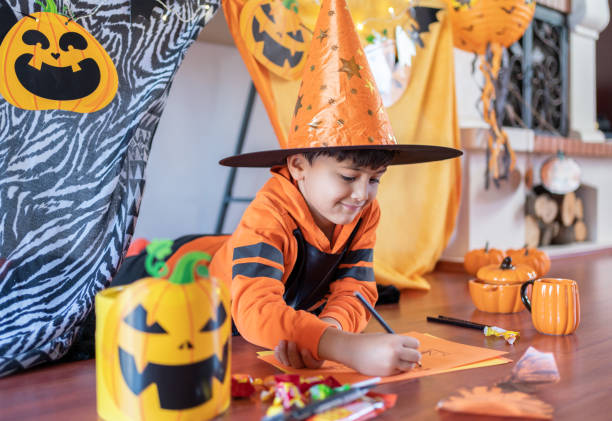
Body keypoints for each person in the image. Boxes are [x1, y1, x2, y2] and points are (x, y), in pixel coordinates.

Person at [157, 0, 462, 376]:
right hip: (190, 282)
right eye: (348, 177)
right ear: (298, 166)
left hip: (288, 305)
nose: (361, 194)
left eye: (375, 180)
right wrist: (344, 348)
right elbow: (254, 307)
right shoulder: (270, 211)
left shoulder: (365, 210)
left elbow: (356, 288)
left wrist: (328, 331)